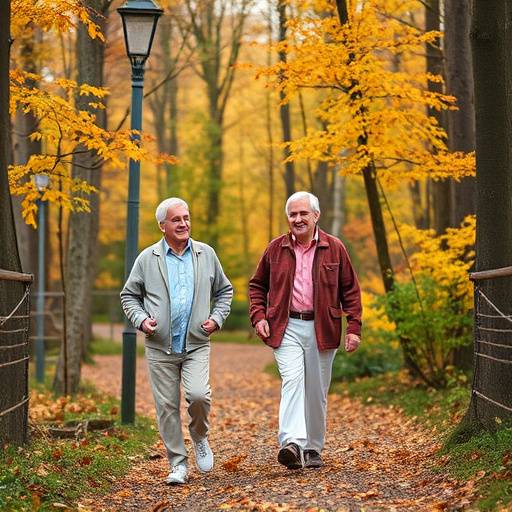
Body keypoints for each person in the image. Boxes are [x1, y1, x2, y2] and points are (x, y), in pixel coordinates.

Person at [120, 197, 233, 485]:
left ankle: (199, 436)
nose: (183, 224)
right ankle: (178, 464)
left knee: (198, 396)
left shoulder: (206, 254)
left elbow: (225, 291)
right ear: (162, 226)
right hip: (160, 346)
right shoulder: (148, 259)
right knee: (166, 407)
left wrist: (216, 319)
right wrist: (142, 320)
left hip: (196, 342)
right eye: (176, 220)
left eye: (186, 218)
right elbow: (129, 296)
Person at [249, 191, 362, 470]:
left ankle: (313, 447)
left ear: (316, 216)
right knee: (292, 381)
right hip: (285, 326)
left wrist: (354, 328)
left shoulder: (334, 248)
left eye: (303, 214)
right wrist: (258, 316)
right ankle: (293, 443)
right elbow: (257, 286)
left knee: (316, 390)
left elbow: (350, 290)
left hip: (322, 327)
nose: (297, 219)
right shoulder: (275, 248)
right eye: (292, 214)